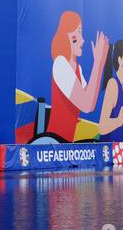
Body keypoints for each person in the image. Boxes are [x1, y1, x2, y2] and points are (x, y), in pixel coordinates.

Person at [43, 11, 109, 143]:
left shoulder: (77, 69)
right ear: (68, 35)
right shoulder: (60, 64)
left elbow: (90, 105)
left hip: (69, 142)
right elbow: (85, 104)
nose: (82, 40)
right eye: (78, 32)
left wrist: (100, 63)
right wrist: (97, 63)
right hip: (55, 142)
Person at [96, 39, 123, 139]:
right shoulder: (113, 85)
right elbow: (102, 127)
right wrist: (119, 120)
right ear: (120, 60)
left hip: (118, 148)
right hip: (108, 149)